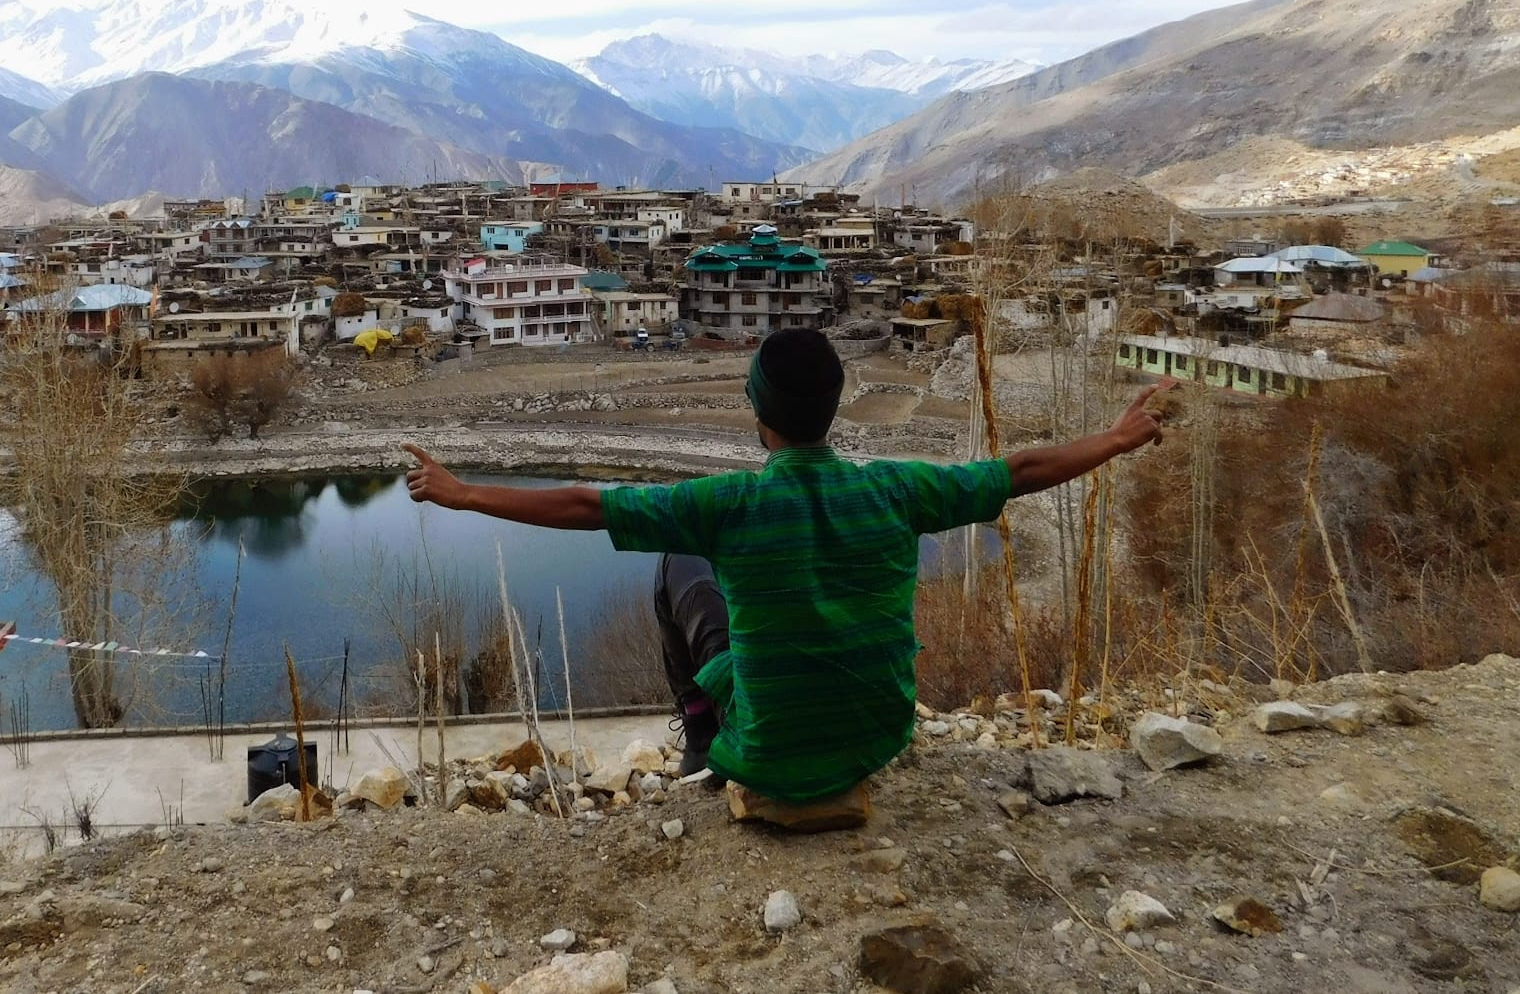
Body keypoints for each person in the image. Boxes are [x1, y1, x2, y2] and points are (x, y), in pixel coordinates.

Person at [402, 327, 1174, 806]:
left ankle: (703, 729)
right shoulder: (899, 489)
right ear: (834, 407)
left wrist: (463, 492)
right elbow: (1022, 469)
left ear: (758, 410)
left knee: (679, 563)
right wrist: (1116, 436)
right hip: (879, 732)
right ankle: (739, 716)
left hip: (769, 754)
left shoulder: (731, 503)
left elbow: (585, 505)